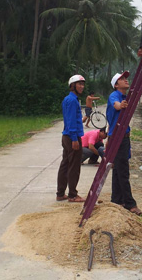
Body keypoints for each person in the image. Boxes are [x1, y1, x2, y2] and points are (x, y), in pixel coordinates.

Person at [106, 71, 142, 216]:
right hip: (118, 137)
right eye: (122, 79)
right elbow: (115, 105)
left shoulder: (126, 96)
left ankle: (117, 199)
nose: (126, 80)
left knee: (118, 170)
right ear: (116, 84)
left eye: (126, 78)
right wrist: (120, 105)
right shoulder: (114, 95)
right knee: (123, 171)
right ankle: (130, 203)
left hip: (123, 137)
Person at [56, 74, 86, 202]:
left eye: (83, 84)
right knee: (74, 166)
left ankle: (60, 193)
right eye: (79, 84)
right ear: (72, 85)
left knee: (65, 164)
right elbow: (71, 121)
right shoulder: (72, 100)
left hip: (67, 136)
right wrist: (74, 139)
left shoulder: (68, 99)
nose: (82, 86)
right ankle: (73, 195)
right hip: (72, 137)